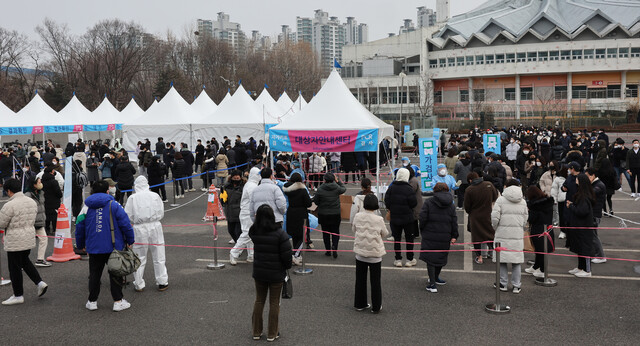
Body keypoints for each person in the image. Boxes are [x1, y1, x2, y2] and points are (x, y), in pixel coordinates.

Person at [75, 180, 136, 311]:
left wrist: (80, 244)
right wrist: (130, 240)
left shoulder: (86, 207)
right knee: (115, 272)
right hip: (113, 245)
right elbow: (125, 224)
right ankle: (118, 301)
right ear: (107, 191)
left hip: (93, 246)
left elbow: (79, 227)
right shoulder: (114, 205)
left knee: (94, 274)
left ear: (92, 191)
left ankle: (92, 301)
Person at [0, 178, 48, 305]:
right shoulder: (31, 202)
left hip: (15, 239)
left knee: (14, 267)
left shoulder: (9, 205)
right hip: (28, 236)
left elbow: (1, 223)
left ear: (9, 191)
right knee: (25, 262)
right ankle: (39, 282)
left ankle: (18, 294)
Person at [249, 205, 292, 342]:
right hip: (276, 273)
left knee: (259, 300)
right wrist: (286, 267)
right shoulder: (280, 234)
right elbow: (287, 256)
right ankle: (272, 333)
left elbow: (251, 232)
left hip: (259, 271)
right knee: (274, 303)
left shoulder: (254, 231)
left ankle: (256, 331)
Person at [124, 176, 169, 292]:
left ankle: (139, 284)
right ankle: (162, 281)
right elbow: (161, 212)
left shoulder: (133, 198)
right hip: (155, 226)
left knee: (139, 256)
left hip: (139, 228)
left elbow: (127, 215)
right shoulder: (155, 196)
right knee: (159, 254)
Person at [419, 183, 458, 293]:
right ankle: (436, 277)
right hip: (445, 234)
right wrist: (454, 235)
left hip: (430, 234)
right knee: (441, 256)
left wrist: (422, 230)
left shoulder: (429, 202)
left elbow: (422, 218)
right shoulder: (450, 204)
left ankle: (432, 283)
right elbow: (454, 221)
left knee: (430, 259)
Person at [352, 194, 388, 312]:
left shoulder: (357, 216)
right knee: (375, 281)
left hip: (361, 253)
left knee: (360, 280)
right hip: (375, 254)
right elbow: (385, 233)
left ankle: (359, 304)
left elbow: (354, 229)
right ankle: (376, 306)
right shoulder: (379, 219)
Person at [491, 179, 527, 293]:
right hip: (517, 234)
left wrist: (496, 227)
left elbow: (495, 217)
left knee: (502, 259)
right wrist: (520, 226)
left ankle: (503, 283)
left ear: (506, 186)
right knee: (516, 261)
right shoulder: (522, 201)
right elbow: (525, 218)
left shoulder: (501, 200)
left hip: (502, 232)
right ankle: (516, 285)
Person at [384, 168, 418, 267]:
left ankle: (398, 259)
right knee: (409, 239)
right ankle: (409, 259)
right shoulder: (408, 188)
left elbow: (387, 201)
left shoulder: (392, 187)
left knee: (397, 239)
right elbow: (413, 203)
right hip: (407, 218)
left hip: (395, 217)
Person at [565, 174, 597, 277]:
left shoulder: (584, 197)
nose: (576, 181)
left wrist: (571, 206)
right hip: (579, 226)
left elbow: (582, 211)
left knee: (585, 248)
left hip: (584, 227)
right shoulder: (582, 194)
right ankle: (580, 267)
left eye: (577, 179)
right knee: (580, 248)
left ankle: (587, 270)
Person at [464, 172, 499, 264]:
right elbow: (495, 197)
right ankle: (493, 254)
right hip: (488, 213)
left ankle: (479, 257)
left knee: (477, 237)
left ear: (470, 180)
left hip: (475, 216)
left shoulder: (469, 189)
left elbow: (467, 206)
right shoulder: (489, 184)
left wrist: (471, 211)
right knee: (490, 234)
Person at [313, 172, 347, 258]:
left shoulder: (320, 189)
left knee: (326, 233)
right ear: (333, 179)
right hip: (335, 213)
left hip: (323, 214)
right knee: (335, 232)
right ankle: (334, 247)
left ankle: (328, 250)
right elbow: (344, 188)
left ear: (324, 180)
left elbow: (316, 201)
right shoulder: (337, 188)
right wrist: (338, 181)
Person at [231, 167, 260, 265]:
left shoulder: (250, 184)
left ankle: (251, 255)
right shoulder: (252, 186)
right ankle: (234, 253)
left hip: (246, 212)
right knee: (247, 234)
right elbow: (254, 200)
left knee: (250, 235)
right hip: (248, 213)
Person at [525, 186, 554, 278]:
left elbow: (532, 218)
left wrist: (528, 213)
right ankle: (536, 266)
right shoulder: (547, 202)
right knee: (540, 249)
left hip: (538, 228)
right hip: (547, 228)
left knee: (540, 249)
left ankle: (542, 269)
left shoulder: (535, 206)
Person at [283, 172, 312, 266]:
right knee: (302, 235)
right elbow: (308, 203)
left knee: (295, 235)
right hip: (301, 213)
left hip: (291, 212)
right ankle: (295, 255)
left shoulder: (287, 189)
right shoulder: (302, 190)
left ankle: (296, 254)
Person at [25, 177, 51, 267]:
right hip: (31, 222)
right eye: (39, 182)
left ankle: (40, 259)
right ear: (34, 184)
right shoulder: (28, 195)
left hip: (40, 221)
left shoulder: (41, 193)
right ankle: (21, 262)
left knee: (44, 239)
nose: (40, 183)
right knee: (27, 243)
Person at [586, 168, 607, 263]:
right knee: (592, 235)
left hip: (595, 213)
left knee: (593, 235)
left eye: (587, 176)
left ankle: (601, 256)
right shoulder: (594, 184)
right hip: (592, 212)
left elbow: (591, 195)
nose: (586, 178)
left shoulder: (599, 185)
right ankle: (595, 254)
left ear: (593, 175)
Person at [224, 170, 244, 244]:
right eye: (234, 178)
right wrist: (222, 200)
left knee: (238, 231)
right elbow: (222, 195)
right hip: (229, 211)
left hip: (240, 211)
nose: (236, 179)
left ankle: (239, 246)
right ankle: (238, 243)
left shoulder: (243, 186)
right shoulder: (227, 185)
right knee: (231, 230)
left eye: (237, 178)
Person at [41, 167, 62, 236]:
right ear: (51, 172)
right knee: (54, 216)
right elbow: (58, 192)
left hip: (45, 200)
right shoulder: (54, 181)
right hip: (54, 201)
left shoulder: (42, 180)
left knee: (46, 215)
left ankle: (46, 229)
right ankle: (54, 229)